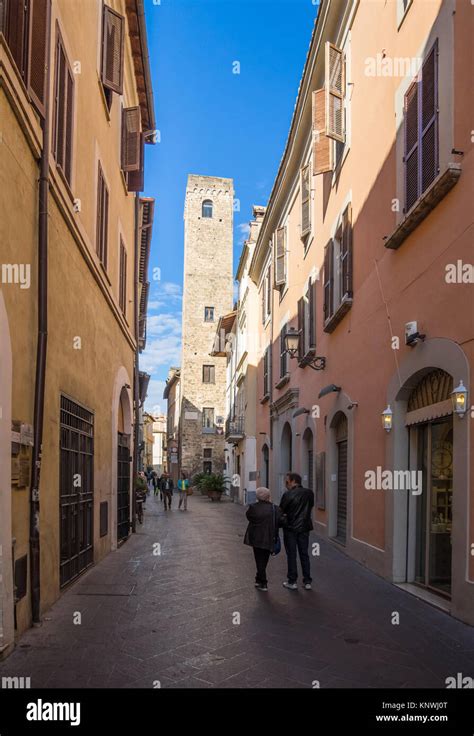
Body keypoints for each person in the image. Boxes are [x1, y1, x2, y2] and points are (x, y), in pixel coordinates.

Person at [279, 472, 314, 591]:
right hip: (304, 528)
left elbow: (281, 511)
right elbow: (310, 507)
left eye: (287, 481)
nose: (286, 484)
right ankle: (308, 581)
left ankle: (292, 581)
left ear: (293, 481)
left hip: (290, 529)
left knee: (292, 555)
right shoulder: (309, 493)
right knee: (304, 553)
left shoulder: (287, 495)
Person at [244, 487, 282, 591]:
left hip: (256, 537)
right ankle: (258, 579)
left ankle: (263, 583)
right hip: (270, 537)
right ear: (268, 496)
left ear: (257, 497)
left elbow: (249, 517)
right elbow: (280, 522)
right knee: (264, 560)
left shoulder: (253, 507)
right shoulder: (275, 508)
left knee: (259, 559)